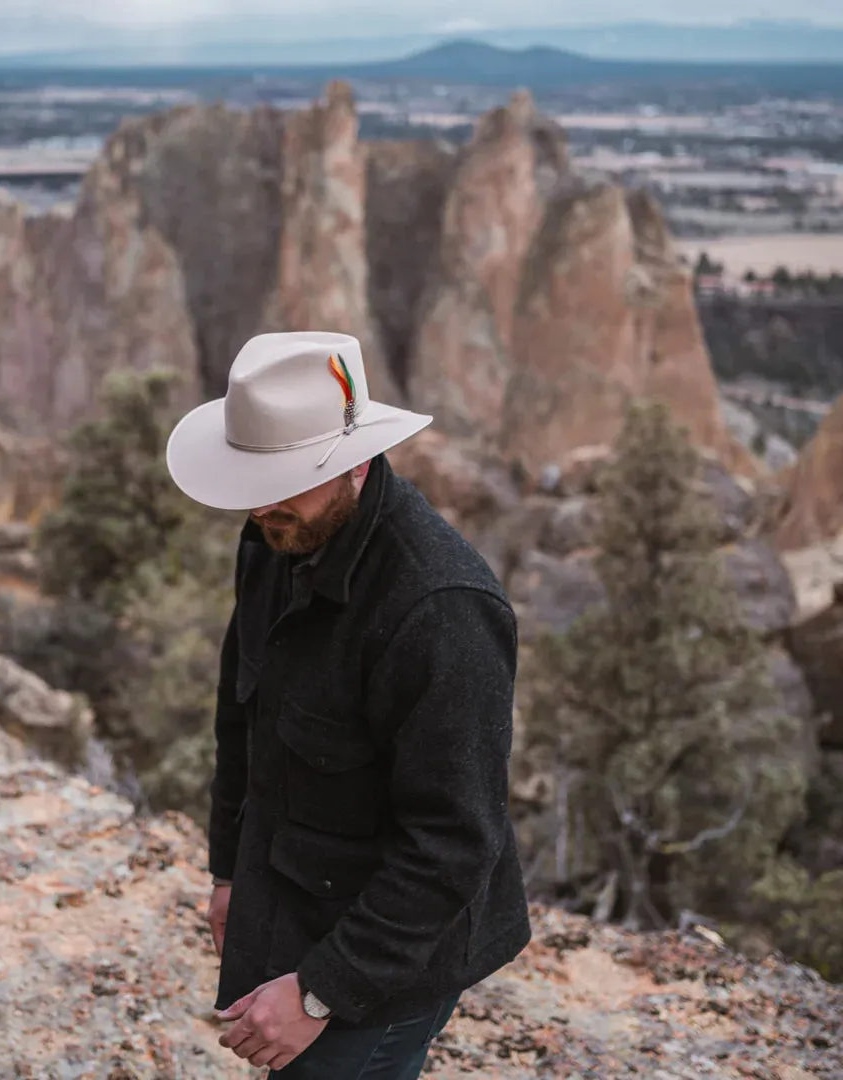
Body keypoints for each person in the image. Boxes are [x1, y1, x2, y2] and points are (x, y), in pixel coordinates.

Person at [165, 331, 530, 1078]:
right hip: (298, 889)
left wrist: (319, 992)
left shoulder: (440, 610)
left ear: (355, 460)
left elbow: (454, 844)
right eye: (251, 480)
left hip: (398, 948)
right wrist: (230, 874)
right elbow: (242, 721)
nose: (262, 505)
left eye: (288, 479)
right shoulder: (273, 533)